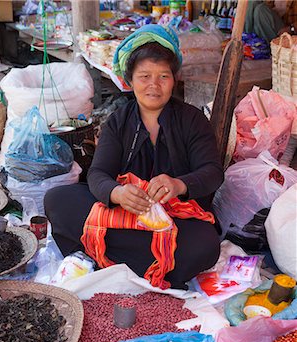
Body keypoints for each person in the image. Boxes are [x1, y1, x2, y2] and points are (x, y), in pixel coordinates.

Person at [44, 24, 224, 290]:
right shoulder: (119, 121)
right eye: (144, 76)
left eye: (163, 76)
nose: (154, 85)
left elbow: (212, 172)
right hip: (125, 213)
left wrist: (179, 185)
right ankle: (151, 264)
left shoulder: (192, 120)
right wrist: (117, 193)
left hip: (175, 220)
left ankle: (105, 257)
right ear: (130, 80)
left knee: (205, 246)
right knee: (56, 199)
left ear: (174, 79)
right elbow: (97, 174)